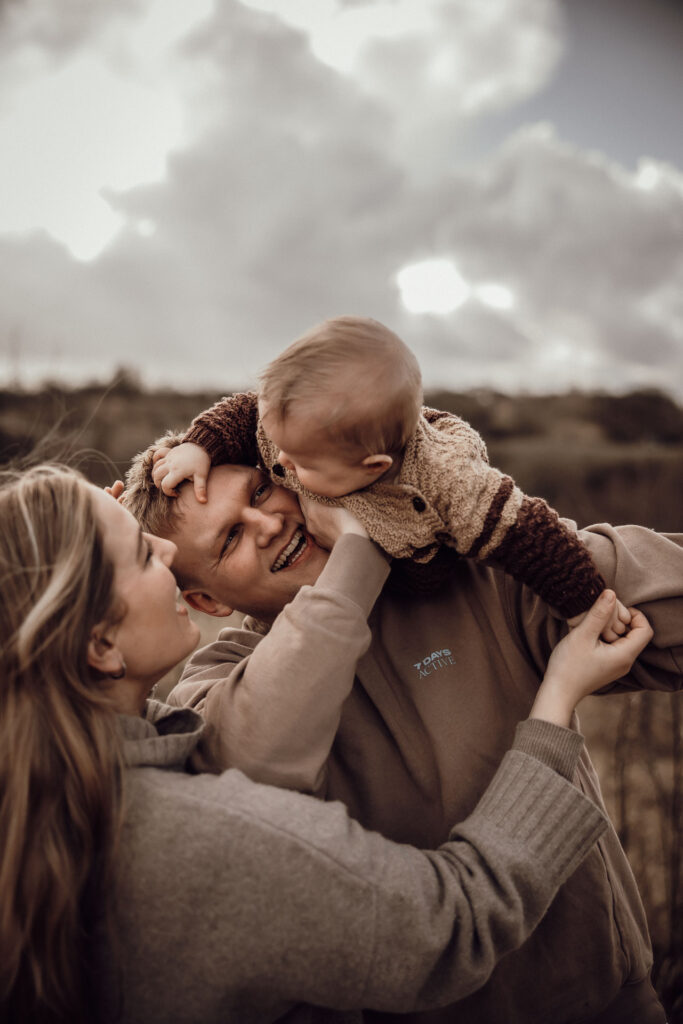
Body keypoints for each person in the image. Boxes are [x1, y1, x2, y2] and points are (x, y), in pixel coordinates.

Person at [1, 462, 642, 1024]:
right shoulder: (195, 825)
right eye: (144, 556)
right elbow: (453, 922)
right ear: (101, 646)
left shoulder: (49, 793)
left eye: (263, 488)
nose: (163, 553)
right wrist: (555, 703)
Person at [151, 315, 630, 635]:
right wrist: (199, 444)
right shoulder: (297, 435)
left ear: (373, 469)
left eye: (264, 488)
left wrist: (587, 605)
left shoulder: (452, 488)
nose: (281, 468)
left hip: (417, 554)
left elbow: (532, 536)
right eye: (230, 535)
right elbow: (244, 414)